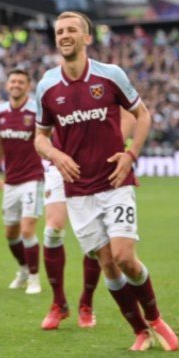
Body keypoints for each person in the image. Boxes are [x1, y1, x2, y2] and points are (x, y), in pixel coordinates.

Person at [34, 10, 178, 351]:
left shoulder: (110, 75)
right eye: (59, 31)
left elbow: (142, 115)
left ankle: (156, 317)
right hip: (78, 192)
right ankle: (139, 331)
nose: (64, 35)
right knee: (108, 265)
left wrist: (130, 154)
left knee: (125, 256)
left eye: (71, 30)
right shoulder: (47, 86)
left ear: (87, 38)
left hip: (115, 181)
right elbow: (39, 138)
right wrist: (55, 154)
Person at [39, 111, 135, 330]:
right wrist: (51, 152)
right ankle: (58, 303)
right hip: (61, 166)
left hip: (95, 168)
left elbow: (130, 115)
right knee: (52, 230)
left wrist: (107, 149)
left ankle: (86, 303)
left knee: (97, 240)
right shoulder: (51, 84)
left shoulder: (104, 79)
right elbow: (40, 134)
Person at [0, 69, 44, 296]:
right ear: (7, 85)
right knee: (11, 233)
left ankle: (34, 278)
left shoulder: (35, 110)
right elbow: (0, 143)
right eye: (13, 81)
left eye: (21, 82)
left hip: (33, 178)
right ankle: (23, 269)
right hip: (10, 181)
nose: (16, 85)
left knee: (27, 230)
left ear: (28, 86)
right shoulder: (0, 112)